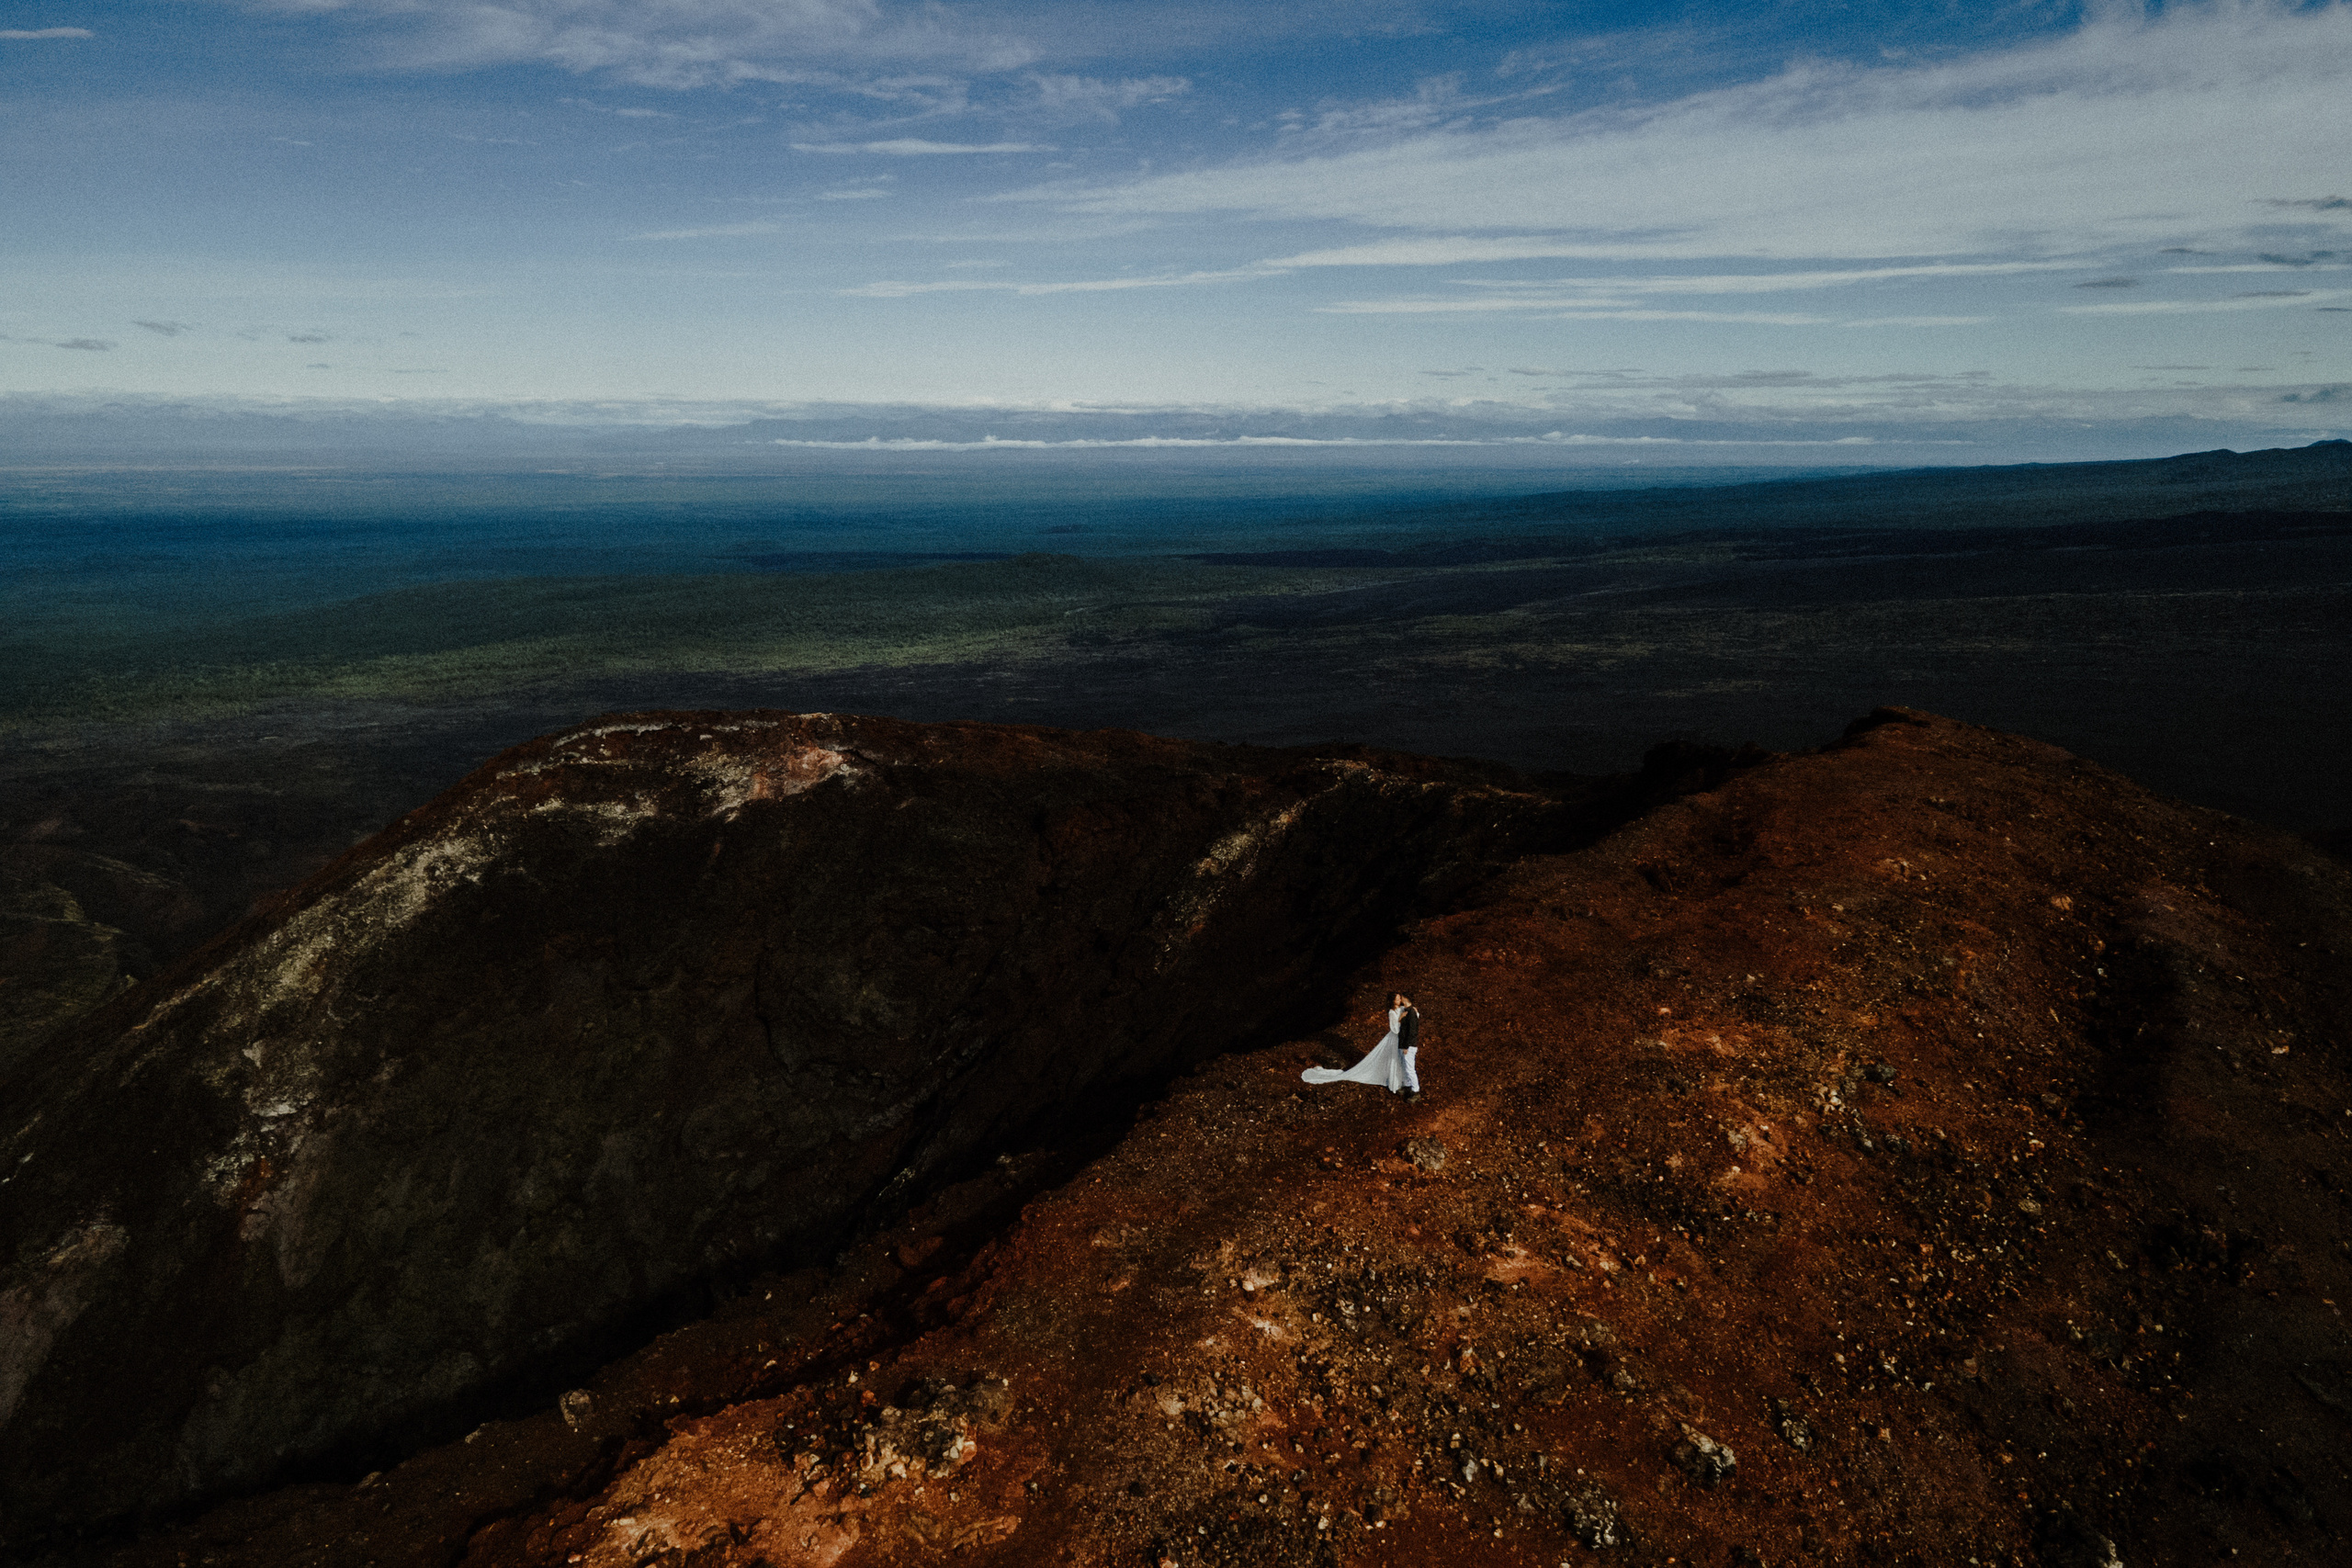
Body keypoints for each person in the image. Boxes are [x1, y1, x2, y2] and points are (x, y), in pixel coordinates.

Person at [1301, 993, 1408, 1094]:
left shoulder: (1402, 1008)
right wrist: (1401, 1018)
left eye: (1400, 998)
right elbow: (1394, 1029)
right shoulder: (1391, 1012)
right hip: (1395, 1039)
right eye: (1397, 999)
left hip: (1401, 1038)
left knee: (1399, 1059)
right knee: (1394, 1059)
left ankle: (1402, 1080)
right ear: (1392, 1001)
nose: (1400, 1000)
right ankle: (1395, 1084)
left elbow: (1410, 1013)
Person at [1398, 994, 1422, 1100]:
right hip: (1405, 1044)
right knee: (1405, 1067)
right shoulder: (1408, 1010)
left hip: (1409, 1045)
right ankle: (1407, 1086)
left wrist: (1406, 1046)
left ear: (1405, 998)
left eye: (1402, 997)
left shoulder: (1411, 1012)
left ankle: (1416, 1091)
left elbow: (1412, 1031)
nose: (1401, 999)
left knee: (1410, 1069)